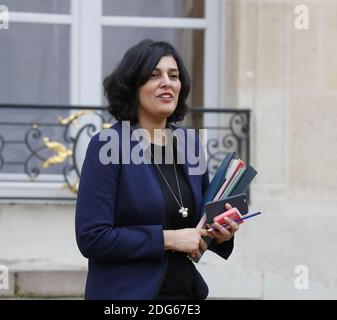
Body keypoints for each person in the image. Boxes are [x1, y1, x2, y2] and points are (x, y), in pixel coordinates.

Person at [75, 39, 239, 300]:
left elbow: (196, 223)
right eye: (154, 75)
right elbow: (92, 237)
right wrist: (168, 239)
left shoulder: (190, 144)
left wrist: (220, 233)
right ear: (132, 86)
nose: (167, 82)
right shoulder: (108, 145)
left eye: (173, 76)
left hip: (184, 293)